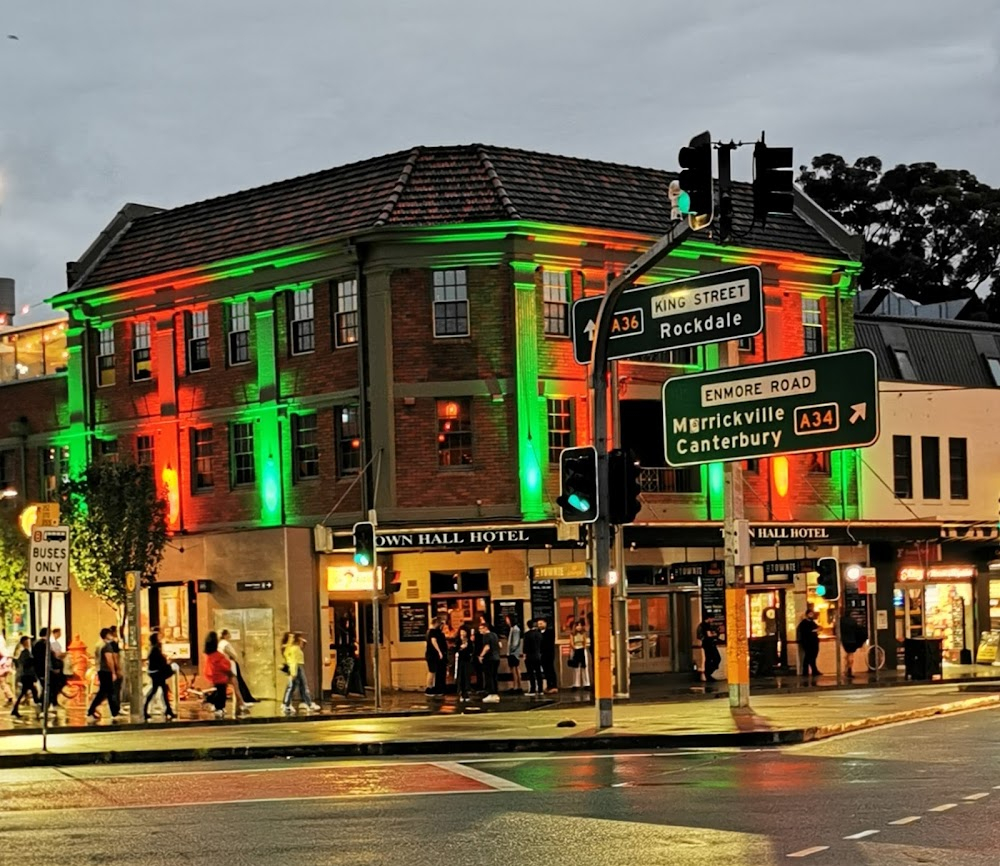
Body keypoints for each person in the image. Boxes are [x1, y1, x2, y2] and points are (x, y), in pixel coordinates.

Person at [86, 628, 121, 723]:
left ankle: (114, 711)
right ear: (107, 635)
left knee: (108, 691)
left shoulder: (98, 645)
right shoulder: (106, 646)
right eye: (110, 634)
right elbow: (109, 659)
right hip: (106, 670)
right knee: (104, 692)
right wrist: (114, 671)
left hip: (100, 670)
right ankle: (91, 710)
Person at [282, 632, 321, 714]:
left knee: (296, 686)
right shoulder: (293, 649)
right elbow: (292, 661)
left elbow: (304, 643)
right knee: (299, 686)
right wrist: (293, 672)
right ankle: (289, 704)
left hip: (298, 666)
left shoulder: (295, 648)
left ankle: (288, 704)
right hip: (296, 667)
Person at [219, 629, 256, 708]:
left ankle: (241, 702)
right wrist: (234, 657)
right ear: (225, 635)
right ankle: (241, 703)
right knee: (235, 685)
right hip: (229, 665)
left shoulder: (220, 644)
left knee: (225, 686)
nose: (230, 635)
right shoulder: (226, 644)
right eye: (229, 634)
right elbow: (233, 654)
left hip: (223, 665)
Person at [143, 633, 176, 721]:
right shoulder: (155, 650)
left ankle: (168, 710)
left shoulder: (154, 649)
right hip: (157, 674)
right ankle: (145, 709)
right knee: (155, 691)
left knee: (162, 691)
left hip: (156, 673)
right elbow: (160, 662)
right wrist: (167, 662)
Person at [202, 631, 233, 718]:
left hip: (213, 675)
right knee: (222, 692)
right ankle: (218, 706)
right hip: (221, 676)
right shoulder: (218, 655)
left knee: (219, 691)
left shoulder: (208, 654)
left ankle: (213, 702)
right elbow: (225, 665)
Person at [11, 636, 39, 719]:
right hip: (26, 675)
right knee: (33, 692)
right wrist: (33, 661)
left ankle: (15, 709)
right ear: (24, 642)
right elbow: (25, 663)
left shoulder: (25, 652)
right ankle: (39, 709)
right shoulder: (25, 652)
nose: (29, 642)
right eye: (28, 641)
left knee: (25, 693)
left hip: (26, 675)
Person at [839, 611, 868, 679]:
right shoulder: (852, 621)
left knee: (848, 654)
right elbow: (857, 629)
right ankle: (849, 670)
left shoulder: (841, 620)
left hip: (844, 640)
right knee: (850, 655)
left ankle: (846, 669)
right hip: (852, 640)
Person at [477, 621, 500, 703]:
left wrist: (481, 655)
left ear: (486, 628)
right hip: (496, 658)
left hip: (489, 659)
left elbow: (487, 647)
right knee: (494, 676)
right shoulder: (494, 635)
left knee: (489, 676)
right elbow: (499, 645)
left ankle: (491, 693)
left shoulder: (486, 636)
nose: (480, 631)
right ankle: (496, 694)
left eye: (481, 629)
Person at [424, 618, 447, 697]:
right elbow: (434, 641)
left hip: (430, 654)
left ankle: (430, 688)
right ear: (436, 623)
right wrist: (439, 651)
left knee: (432, 671)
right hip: (432, 655)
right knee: (432, 671)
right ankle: (429, 688)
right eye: (439, 624)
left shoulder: (428, 631)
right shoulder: (433, 632)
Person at [796, 608, 821, 677]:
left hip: (814, 642)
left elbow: (817, 628)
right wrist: (813, 631)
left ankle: (814, 670)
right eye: (810, 614)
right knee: (808, 656)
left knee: (813, 656)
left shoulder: (812, 622)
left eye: (812, 614)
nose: (811, 615)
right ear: (807, 615)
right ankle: (805, 671)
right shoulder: (804, 623)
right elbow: (805, 632)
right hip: (808, 643)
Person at [522, 619, 543, 696]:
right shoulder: (539, 634)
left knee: (530, 673)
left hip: (529, 656)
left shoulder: (527, 634)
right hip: (538, 655)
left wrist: (524, 655)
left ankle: (532, 689)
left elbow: (525, 646)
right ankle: (540, 689)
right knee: (538, 672)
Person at [697, 615, 721, 682]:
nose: (713, 620)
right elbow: (709, 635)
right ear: (709, 618)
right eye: (712, 618)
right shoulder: (706, 625)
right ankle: (708, 673)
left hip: (706, 644)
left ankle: (708, 673)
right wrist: (716, 634)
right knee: (716, 658)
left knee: (709, 659)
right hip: (709, 644)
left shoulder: (702, 625)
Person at [454, 626, 475, 702]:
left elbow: (472, 650)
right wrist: (461, 648)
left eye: (464, 632)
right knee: (461, 676)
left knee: (467, 676)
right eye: (461, 632)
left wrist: (468, 646)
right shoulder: (458, 641)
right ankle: (461, 692)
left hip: (467, 661)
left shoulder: (469, 641)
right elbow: (455, 650)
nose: (462, 633)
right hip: (460, 661)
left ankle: (466, 692)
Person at [537, 618, 558, 694]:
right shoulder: (537, 632)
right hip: (541, 654)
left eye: (541, 623)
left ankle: (554, 685)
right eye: (538, 624)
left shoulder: (550, 632)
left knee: (551, 669)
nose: (540, 625)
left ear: (545, 623)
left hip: (549, 654)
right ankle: (549, 685)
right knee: (545, 671)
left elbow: (548, 642)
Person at [569, 620, 591, 690]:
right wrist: (575, 648)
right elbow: (571, 643)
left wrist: (583, 647)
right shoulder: (572, 634)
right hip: (575, 650)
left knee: (584, 667)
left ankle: (586, 684)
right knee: (576, 668)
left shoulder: (583, 633)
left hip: (582, 650)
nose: (579, 627)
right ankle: (576, 684)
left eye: (580, 625)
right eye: (577, 625)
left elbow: (585, 641)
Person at [504, 614, 523, 694]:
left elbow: (515, 643)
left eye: (507, 619)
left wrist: (511, 651)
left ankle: (517, 687)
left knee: (515, 670)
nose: (506, 621)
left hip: (513, 653)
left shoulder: (515, 629)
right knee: (514, 669)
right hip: (512, 653)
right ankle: (516, 686)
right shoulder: (512, 629)